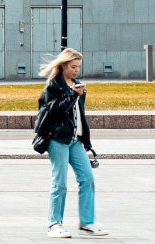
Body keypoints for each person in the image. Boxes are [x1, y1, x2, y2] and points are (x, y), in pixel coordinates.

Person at [36, 47, 106, 238]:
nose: (76, 70)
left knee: (87, 179)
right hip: (57, 140)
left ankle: (87, 222)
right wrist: (73, 95)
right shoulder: (52, 87)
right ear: (64, 65)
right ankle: (54, 224)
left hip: (75, 140)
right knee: (59, 183)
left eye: (78, 67)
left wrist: (86, 140)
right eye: (73, 66)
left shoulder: (76, 85)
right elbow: (54, 112)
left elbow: (80, 116)